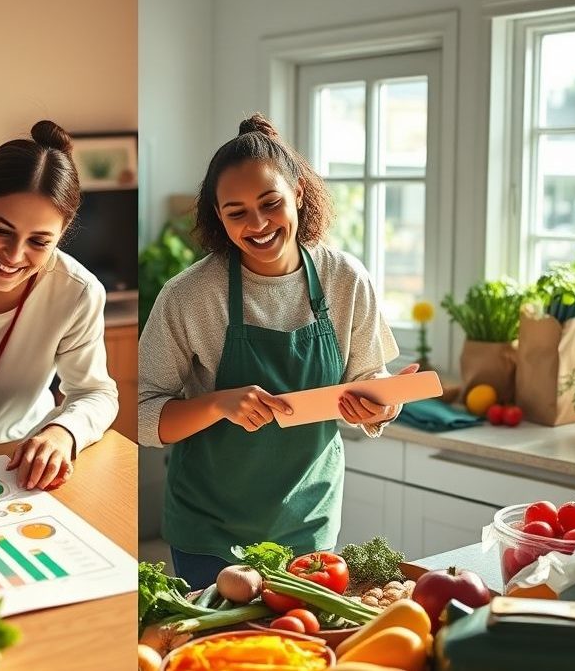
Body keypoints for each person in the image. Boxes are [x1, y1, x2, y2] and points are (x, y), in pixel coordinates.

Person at [138, 113, 415, 589]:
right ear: (218, 217)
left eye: (271, 203)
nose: (259, 224)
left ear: (299, 195)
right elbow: (141, 417)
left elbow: (372, 384)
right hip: (209, 532)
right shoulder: (189, 296)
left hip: (309, 526)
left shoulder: (345, 280)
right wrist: (219, 403)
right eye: (237, 212)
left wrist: (382, 405)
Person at [0, 120, 119, 491]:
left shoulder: (78, 292)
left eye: (39, 241)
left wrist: (62, 433)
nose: (14, 256)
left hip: (20, 459)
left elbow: (97, 392)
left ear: (62, 234)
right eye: (1, 230)